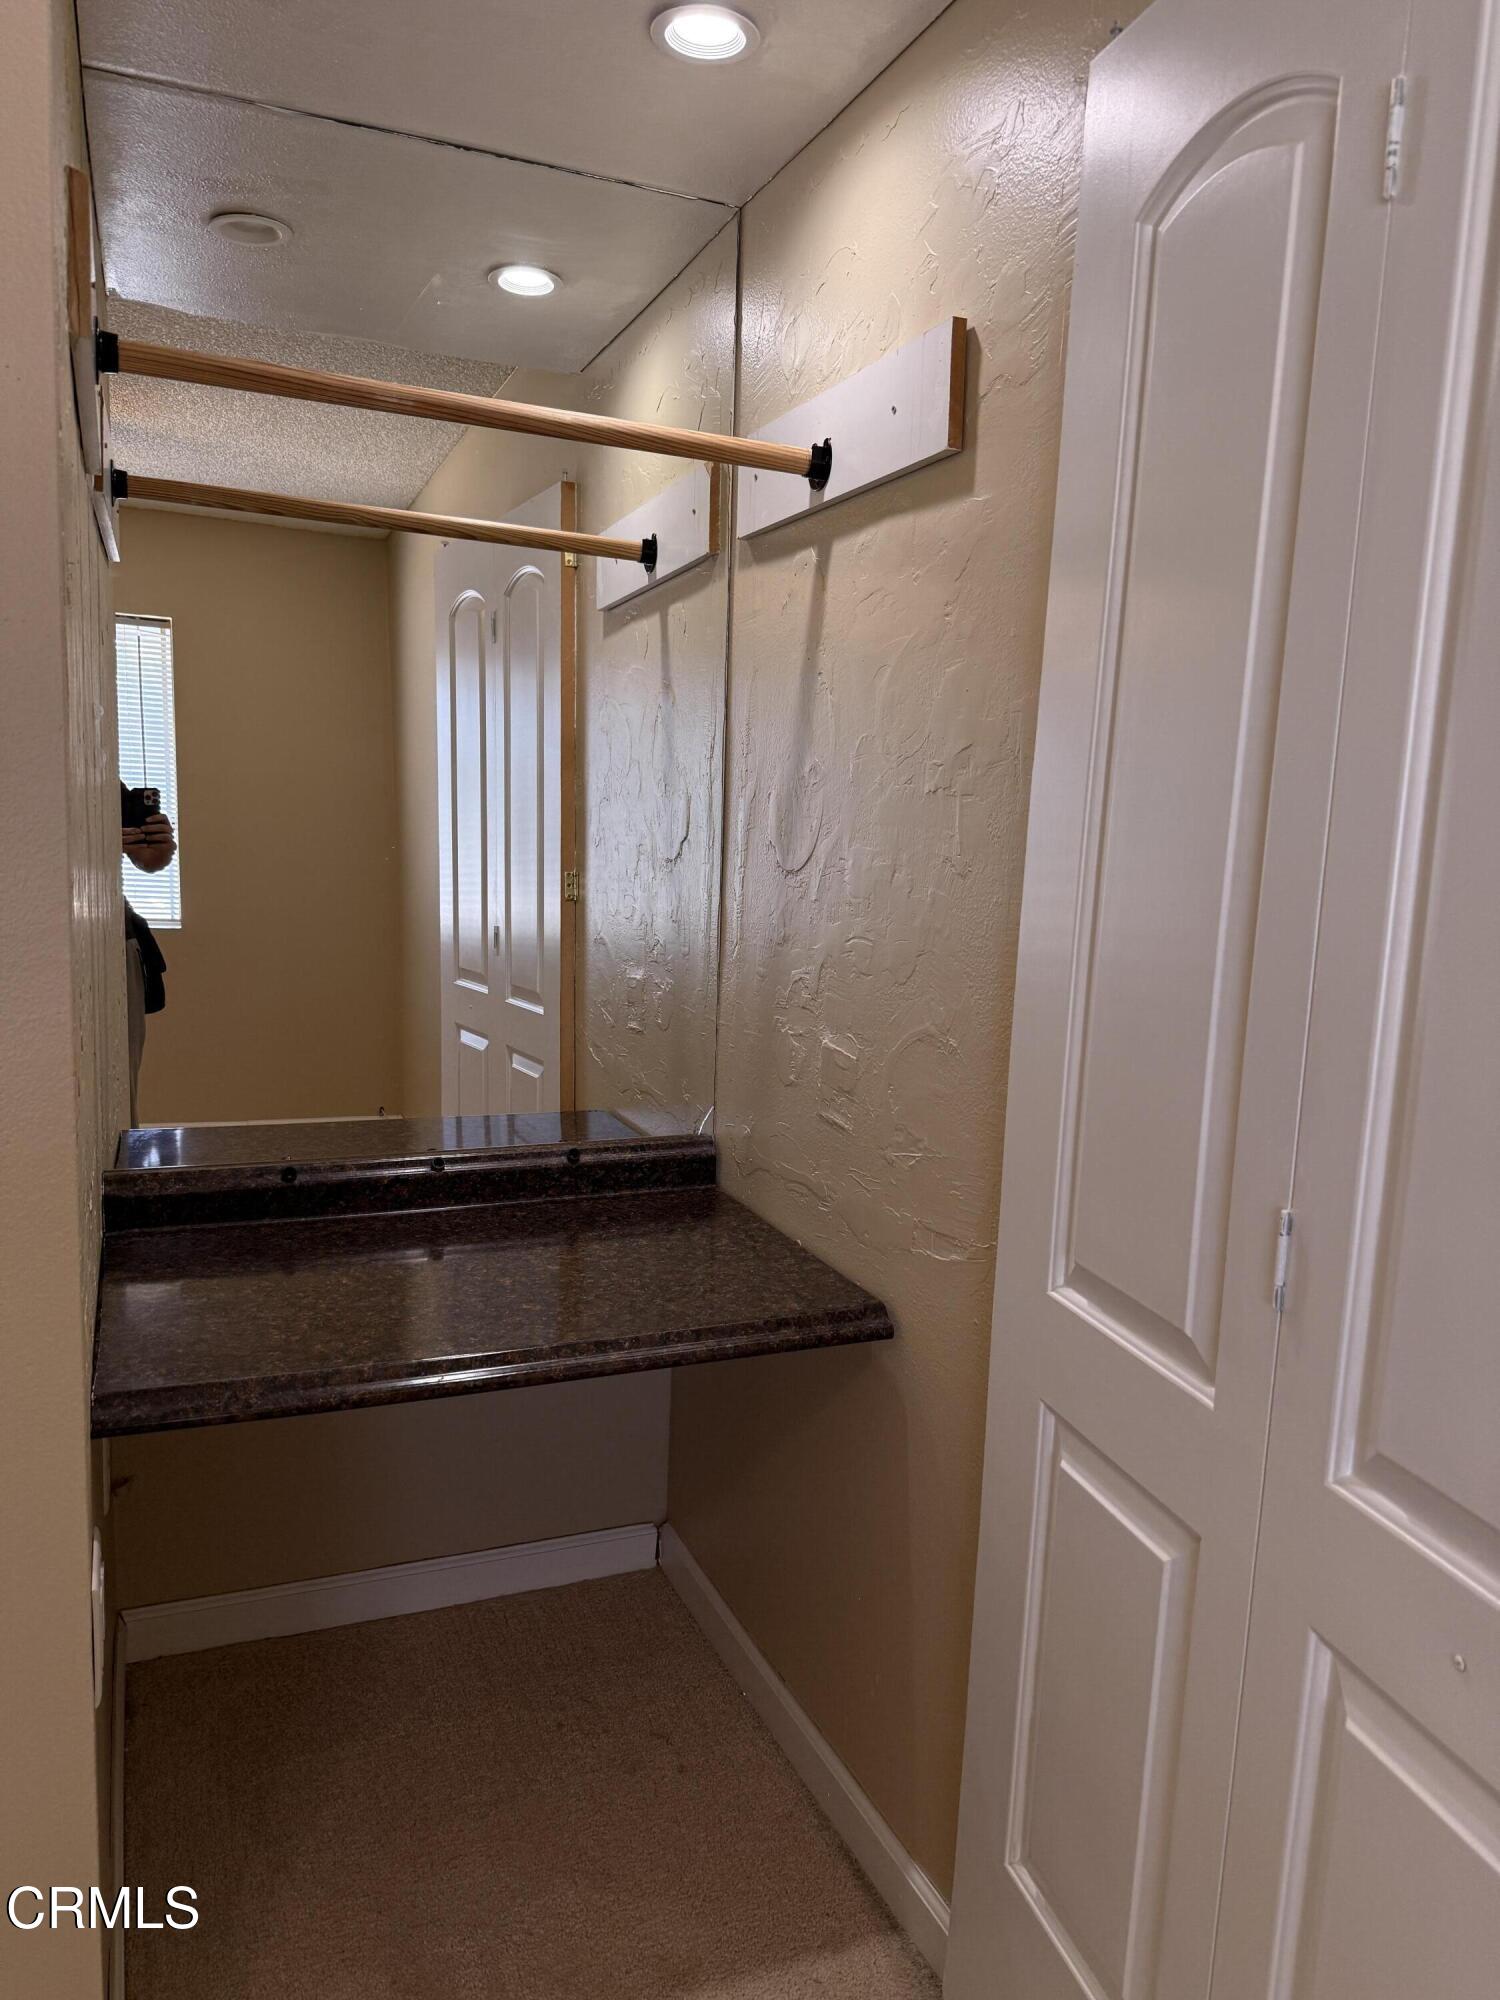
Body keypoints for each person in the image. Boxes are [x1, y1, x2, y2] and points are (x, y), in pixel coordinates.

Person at [121, 782, 174, 1124]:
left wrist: (157, 852)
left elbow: (153, 860)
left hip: (116, 938)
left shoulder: (98, 782)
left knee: (119, 1086)